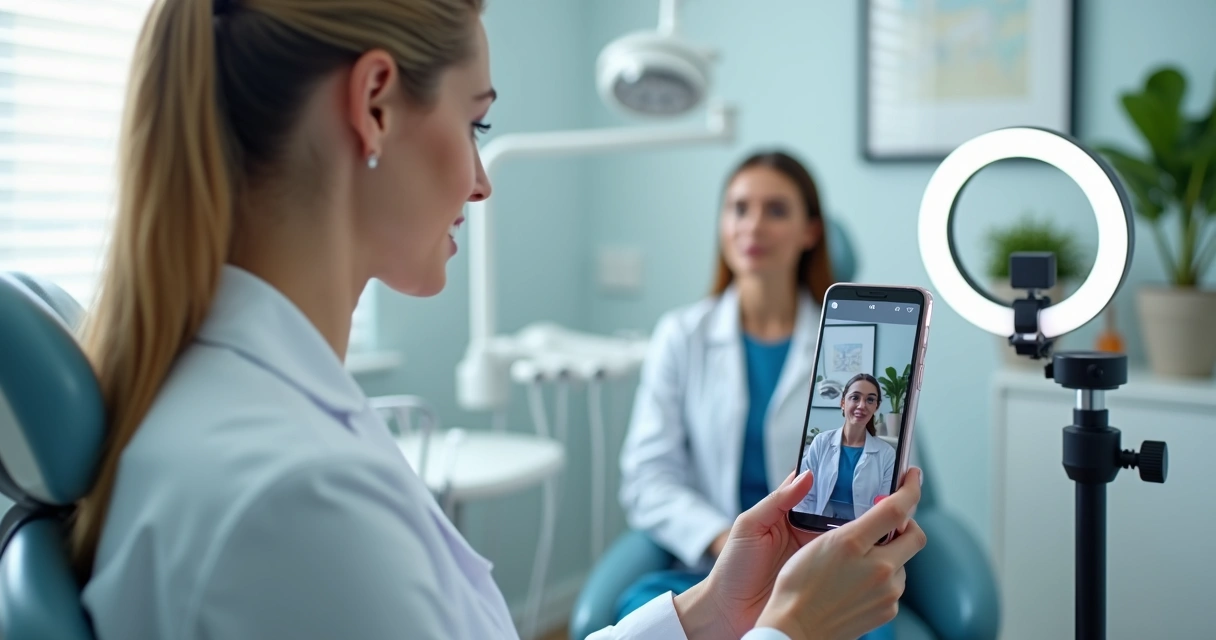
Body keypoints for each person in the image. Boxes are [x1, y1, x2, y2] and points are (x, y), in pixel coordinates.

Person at [70, 1, 925, 638]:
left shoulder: (271, 418)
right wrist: (785, 633)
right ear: (373, 103)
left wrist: (709, 612)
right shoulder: (294, 497)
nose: (483, 179)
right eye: (476, 123)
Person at [612, 149, 892, 639]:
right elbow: (647, 477)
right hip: (712, 567)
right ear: (722, 224)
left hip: (817, 570)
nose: (753, 225)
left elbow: (870, 470)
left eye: (776, 209)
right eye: (739, 208)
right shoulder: (681, 335)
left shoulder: (853, 343)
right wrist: (728, 543)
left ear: (811, 230)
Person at [795, 373, 898, 520]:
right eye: (855, 397)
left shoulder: (886, 454)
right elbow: (803, 495)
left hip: (862, 533)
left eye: (870, 400)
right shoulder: (821, 442)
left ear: (876, 406)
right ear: (843, 402)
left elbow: (882, 506)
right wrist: (805, 527)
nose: (862, 405)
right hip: (817, 528)